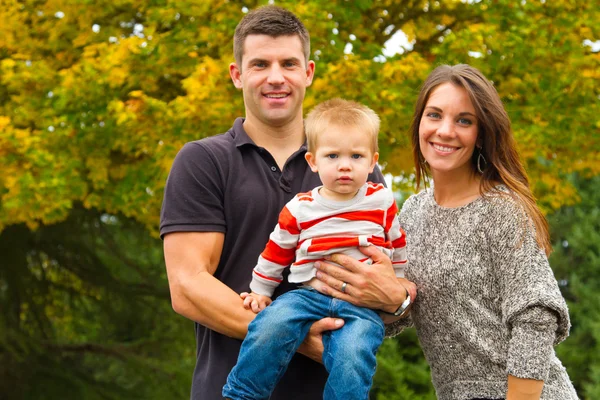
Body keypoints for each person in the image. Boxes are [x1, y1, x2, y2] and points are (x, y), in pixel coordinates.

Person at [159, 6, 412, 400]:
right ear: (237, 74)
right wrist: (291, 332)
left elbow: (386, 281)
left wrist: (397, 297)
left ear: (308, 72)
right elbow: (188, 286)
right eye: (260, 64)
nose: (276, 77)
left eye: (289, 64)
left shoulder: (354, 167)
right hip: (228, 388)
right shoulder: (204, 161)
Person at [378, 64, 576, 400]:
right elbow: (400, 311)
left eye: (464, 120)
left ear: (481, 133)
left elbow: (536, 315)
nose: (445, 130)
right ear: (419, 123)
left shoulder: (502, 209)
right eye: (434, 115)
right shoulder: (411, 212)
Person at [222, 98, 410, 400]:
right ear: (313, 161)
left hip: (361, 305)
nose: (345, 165)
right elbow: (276, 251)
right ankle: (243, 393)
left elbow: (397, 243)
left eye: (357, 156)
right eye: (332, 155)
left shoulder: (382, 201)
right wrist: (260, 291)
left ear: (373, 161)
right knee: (270, 325)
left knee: (354, 354)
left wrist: (398, 279)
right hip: (308, 295)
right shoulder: (301, 207)